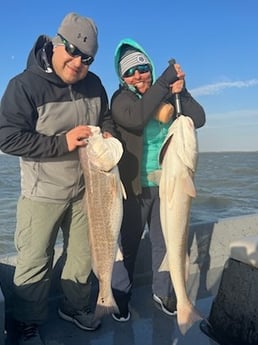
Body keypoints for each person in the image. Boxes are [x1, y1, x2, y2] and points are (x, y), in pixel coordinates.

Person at [0, 13, 116, 345]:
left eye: (88, 58)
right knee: (35, 259)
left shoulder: (94, 84)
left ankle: (74, 307)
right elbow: (6, 137)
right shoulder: (23, 86)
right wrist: (62, 142)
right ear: (56, 42)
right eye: (73, 50)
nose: (79, 62)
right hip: (42, 192)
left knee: (81, 256)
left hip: (86, 192)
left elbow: (105, 115)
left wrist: (107, 133)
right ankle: (26, 320)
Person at [110, 38, 206, 321]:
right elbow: (136, 118)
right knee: (127, 245)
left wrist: (182, 92)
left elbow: (198, 119)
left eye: (142, 68)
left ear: (149, 67)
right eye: (130, 72)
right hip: (134, 187)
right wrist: (164, 82)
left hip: (167, 186)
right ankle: (120, 296)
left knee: (164, 243)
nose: (138, 75)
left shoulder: (165, 95)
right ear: (122, 77)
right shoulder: (121, 100)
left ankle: (163, 292)